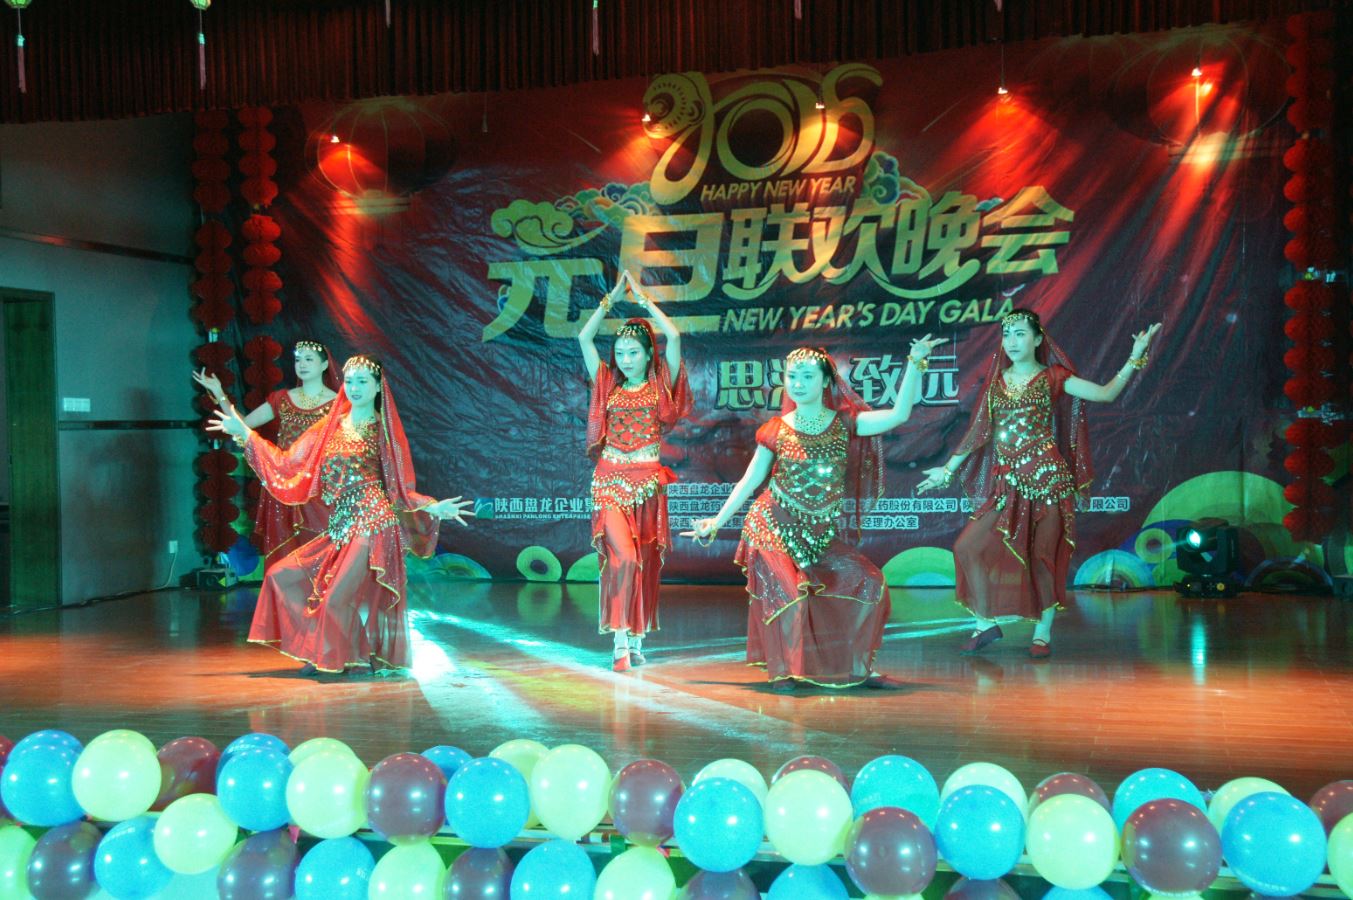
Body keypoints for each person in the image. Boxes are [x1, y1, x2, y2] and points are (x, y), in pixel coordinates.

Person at [686, 337, 943, 691]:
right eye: (792, 376)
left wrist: (915, 362)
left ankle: (858, 668)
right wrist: (716, 522)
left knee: (869, 582)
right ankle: (784, 671)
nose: (798, 383)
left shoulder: (845, 424)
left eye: (807, 376)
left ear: (825, 381)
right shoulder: (775, 430)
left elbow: (899, 415)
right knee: (789, 597)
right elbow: (749, 481)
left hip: (817, 536)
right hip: (770, 527)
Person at [916, 310, 1162, 658]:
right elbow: (979, 432)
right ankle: (985, 623)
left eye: (1020, 334)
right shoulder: (997, 382)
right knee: (967, 546)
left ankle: (1042, 634)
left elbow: (1105, 394)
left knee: (1042, 559)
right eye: (1007, 334)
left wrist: (1134, 358)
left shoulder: (1054, 377)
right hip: (1007, 487)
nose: (1012, 342)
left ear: (1037, 339)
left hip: (1048, 484)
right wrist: (947, 469)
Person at [207, 354, 473, 675]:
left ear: (378, 386)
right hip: (341, 526)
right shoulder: (330, 426)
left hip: (373, 524)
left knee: (335, 598)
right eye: (349, 381)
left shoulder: (382, 430)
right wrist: (245, 433)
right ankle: (326, 650)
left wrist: (433, 507)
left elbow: (400, 489)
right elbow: (288, 462)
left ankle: (343, 659)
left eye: (362, 381)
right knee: (281, 576)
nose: (354, 387)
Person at [578, 270, 692, 671]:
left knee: (643, 560)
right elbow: (584, 338)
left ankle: (637, 637)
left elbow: (674, 337)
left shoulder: (661, 384)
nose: (625, 360)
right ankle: (620, 640)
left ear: (647, 354)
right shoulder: (607, 383)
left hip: (647, 484)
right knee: (623, 558)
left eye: (633, 353)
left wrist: (645, 302)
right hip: (609, 481)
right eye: (621, 353)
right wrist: (610, 299)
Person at [194, 341, 341, 566]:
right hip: (281, 484)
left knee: (321, 553)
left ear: (324, 365)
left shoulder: (338, 404)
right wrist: (219, 393)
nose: (302, 364)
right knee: (285, 554)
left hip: (319, 488)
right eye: (298, 359)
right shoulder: (282, 398)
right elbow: (244, 425)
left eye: (309, 359)